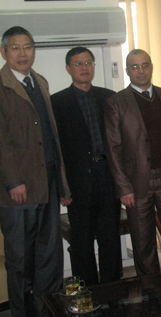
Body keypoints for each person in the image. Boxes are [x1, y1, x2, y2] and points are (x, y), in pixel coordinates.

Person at [0, 26, 71, 317]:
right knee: (20, 259)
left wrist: (63, 185)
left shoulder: (39, 81)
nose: (23, 53)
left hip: (47, 181)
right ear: (4, 51)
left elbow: (52, 136)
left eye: (27, 47)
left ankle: (47, 309)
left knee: (49, 255)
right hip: (18, 188)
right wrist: (13, 181)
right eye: (15, 48)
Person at [104, 49, 161, 275]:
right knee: (143, 243)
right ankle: (152, 290)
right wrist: (123, 187)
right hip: (136, 183)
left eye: (145, 65)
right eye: (135, 67)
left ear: (151, 67)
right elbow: (113, 149)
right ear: (127, 71)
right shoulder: (116, 102)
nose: (140, 71)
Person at [51, 47, 122, 285]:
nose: (84, 68)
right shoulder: (57, 102)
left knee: (110, 238)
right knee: (81, 242)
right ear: (68, 68)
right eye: (78, 63)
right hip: (77, 181)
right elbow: (55, 149)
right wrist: (62, 186)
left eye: (88, 63)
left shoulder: (109, 97)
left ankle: (113, 289)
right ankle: (87, 291)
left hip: (108, 176)